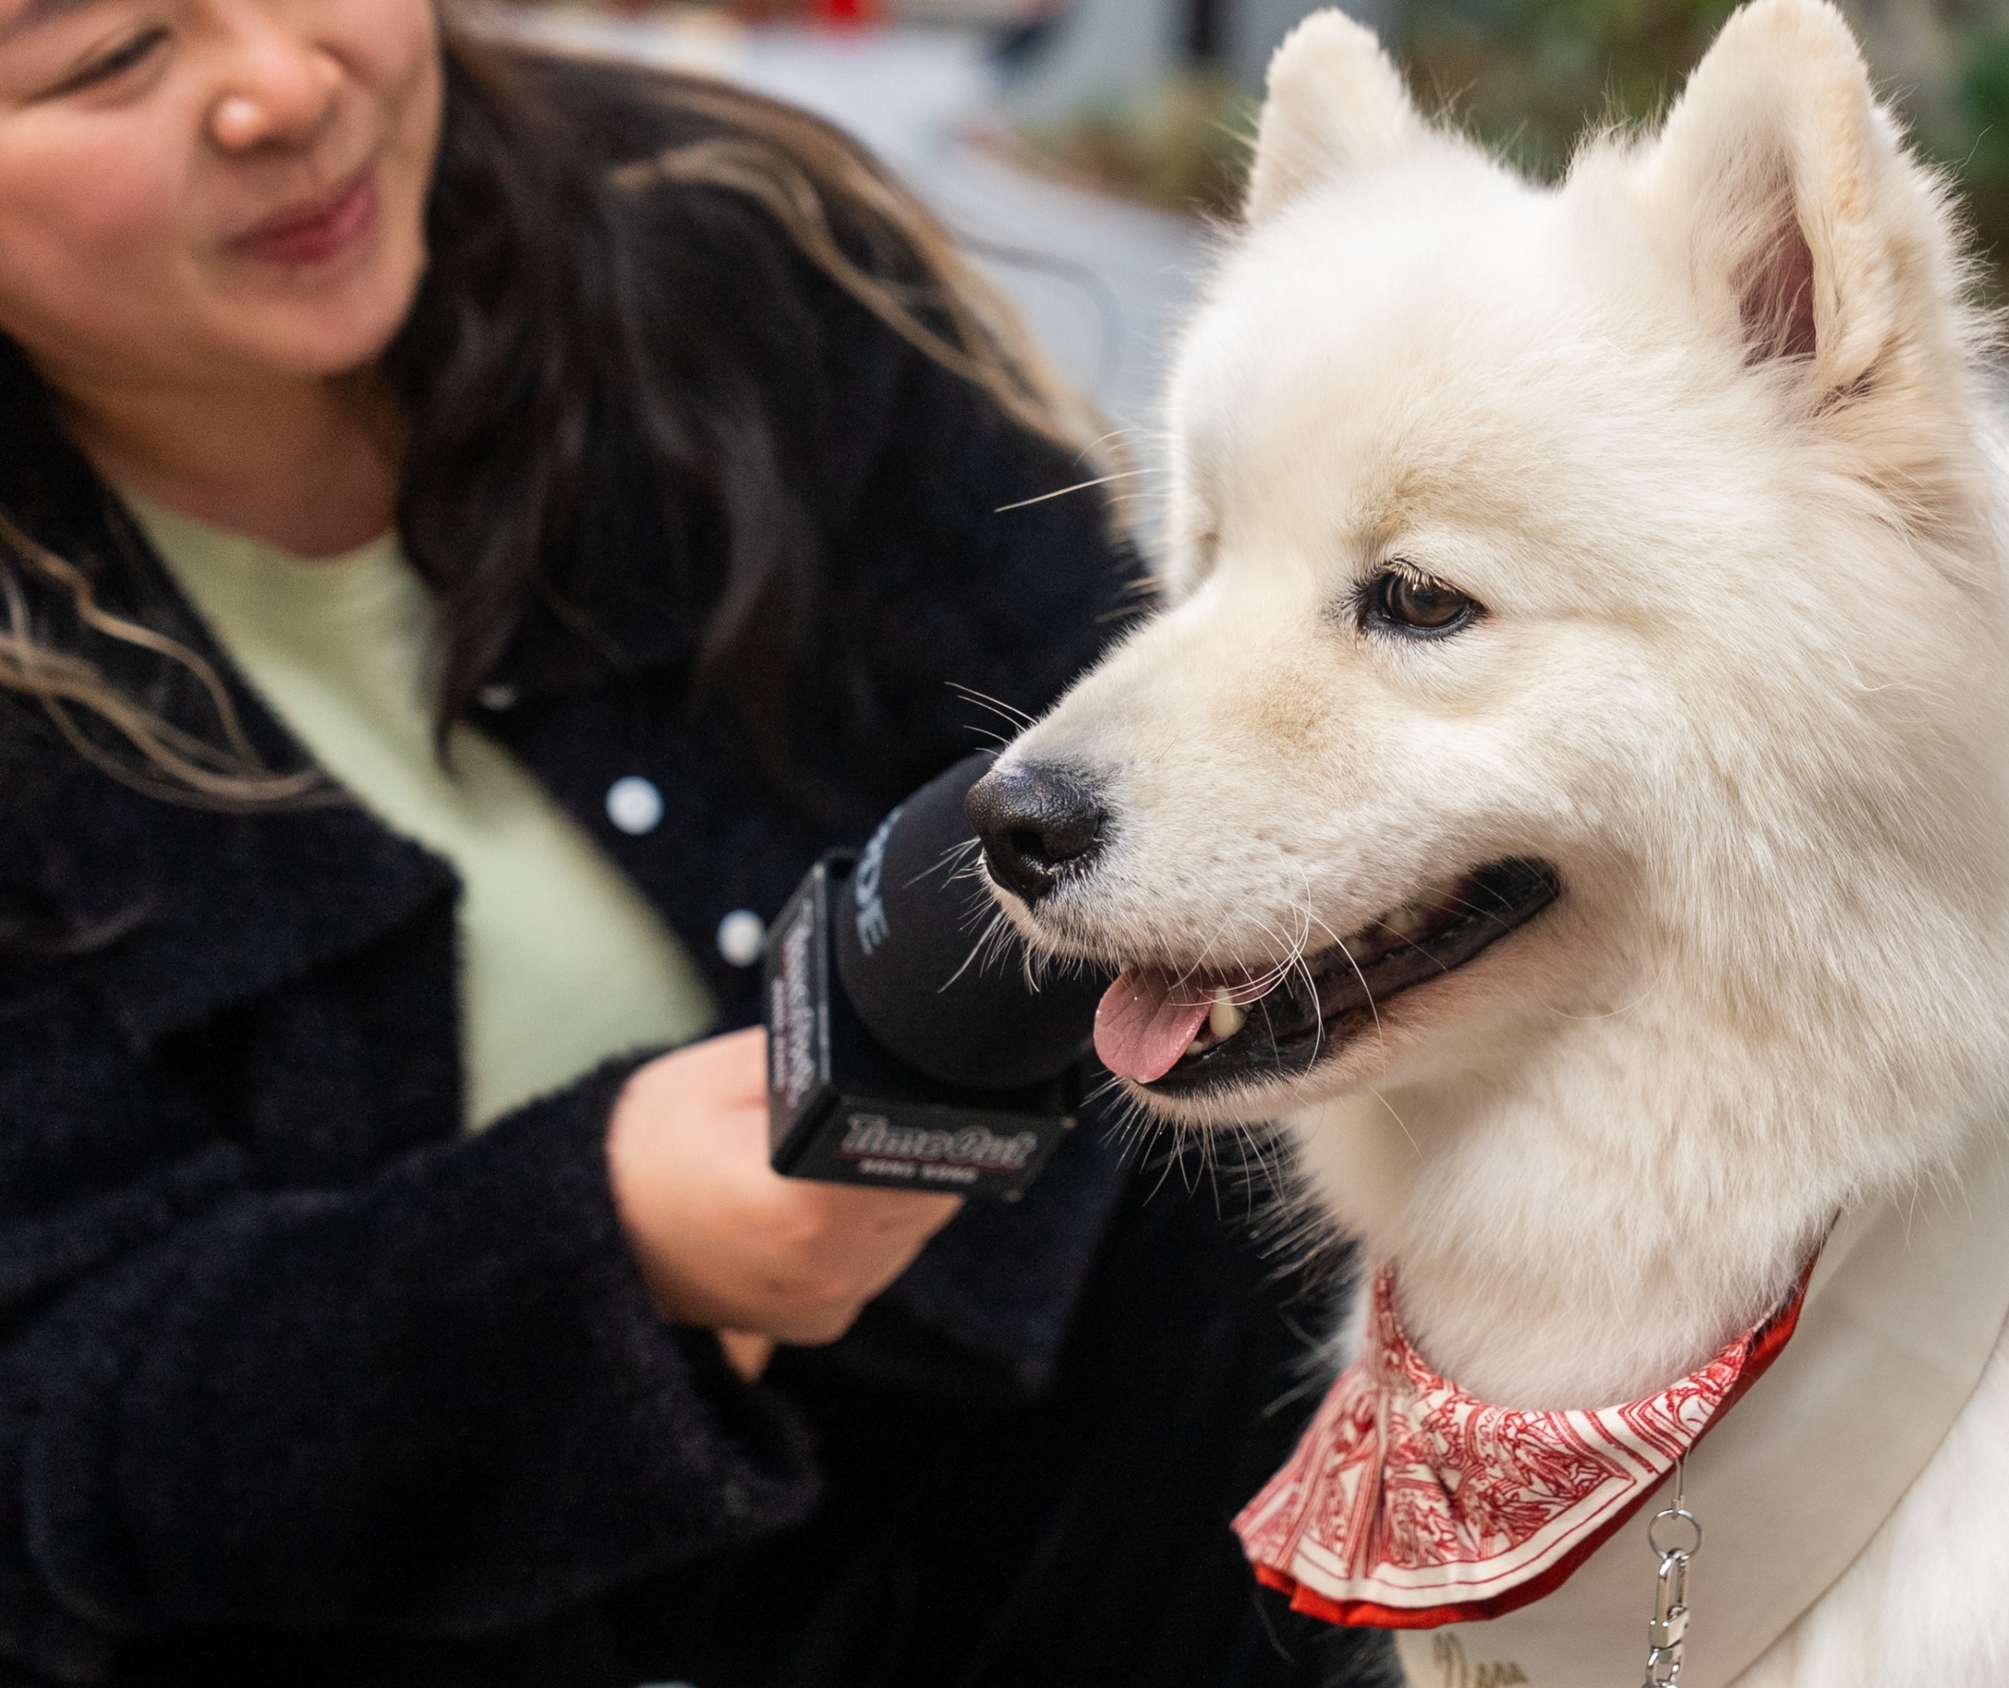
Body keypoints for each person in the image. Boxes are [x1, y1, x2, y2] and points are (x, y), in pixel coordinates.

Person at [0, 0, 1350, 1682]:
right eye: (110, 57)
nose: (282, 85)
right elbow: (68, 1437)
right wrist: (606, 1237)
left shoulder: (721, 240)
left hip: (1108, 1521)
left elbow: (1130, 761)